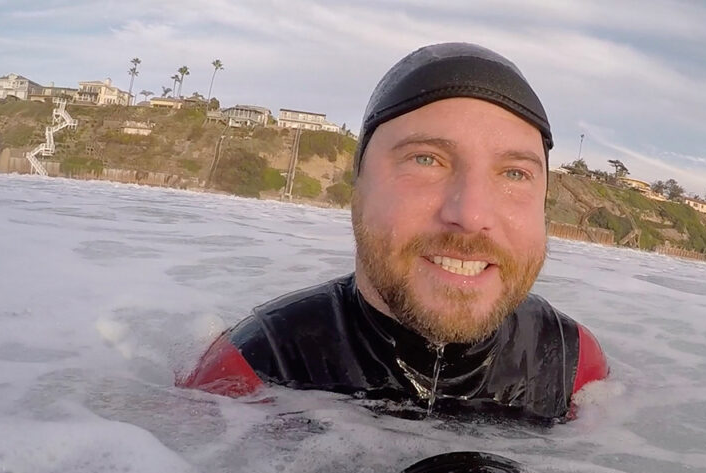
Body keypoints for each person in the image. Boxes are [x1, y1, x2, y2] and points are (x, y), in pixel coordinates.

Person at [180, 42, 609, 420]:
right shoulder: (257, 366)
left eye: (514, 173)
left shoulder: (573, 367)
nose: (471, 214)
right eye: (425, 160)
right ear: (359, 188)